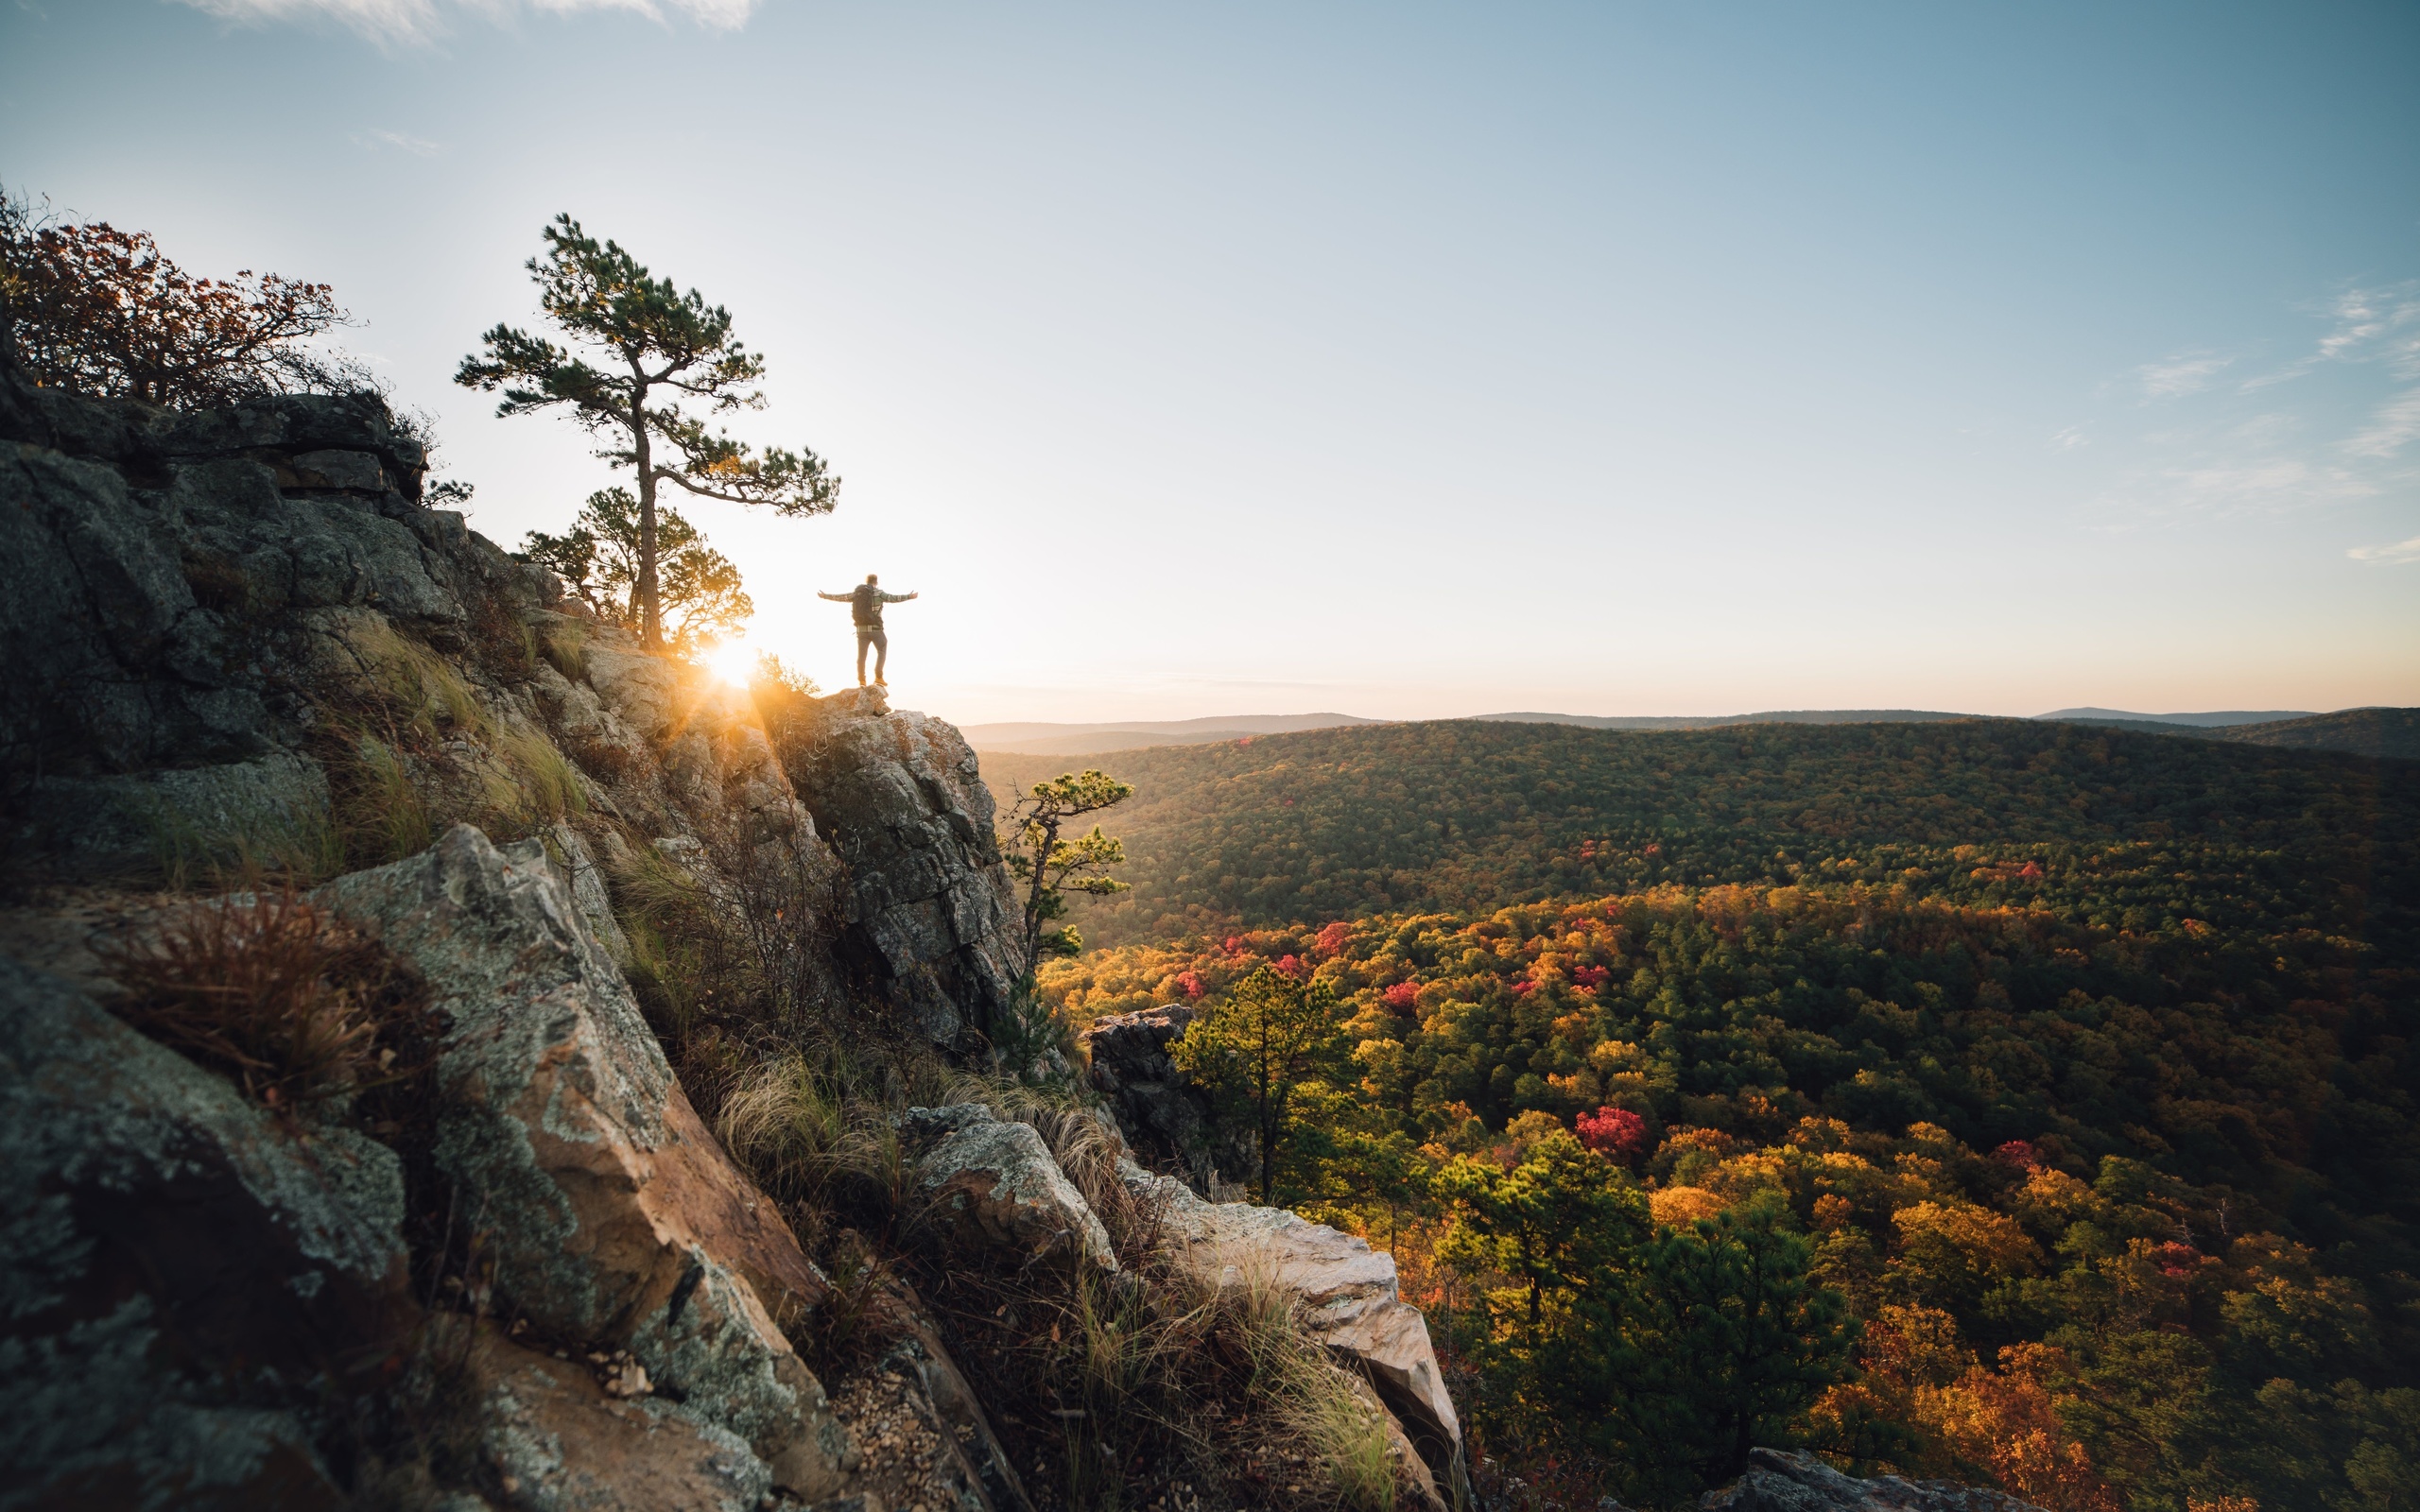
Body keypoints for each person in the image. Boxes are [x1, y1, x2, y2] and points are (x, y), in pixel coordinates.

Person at [817, 573, 918, 686]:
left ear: (867, 581)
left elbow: (842, 597)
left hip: (861, 630)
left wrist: (825, 596)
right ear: (876, 582)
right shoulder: (879, 593)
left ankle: (862, 681)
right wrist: (909, 596)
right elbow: (893, 598)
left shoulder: (858, 593)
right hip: (876, 630)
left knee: (861, 656)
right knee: (882, 650)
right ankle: (878, 677)